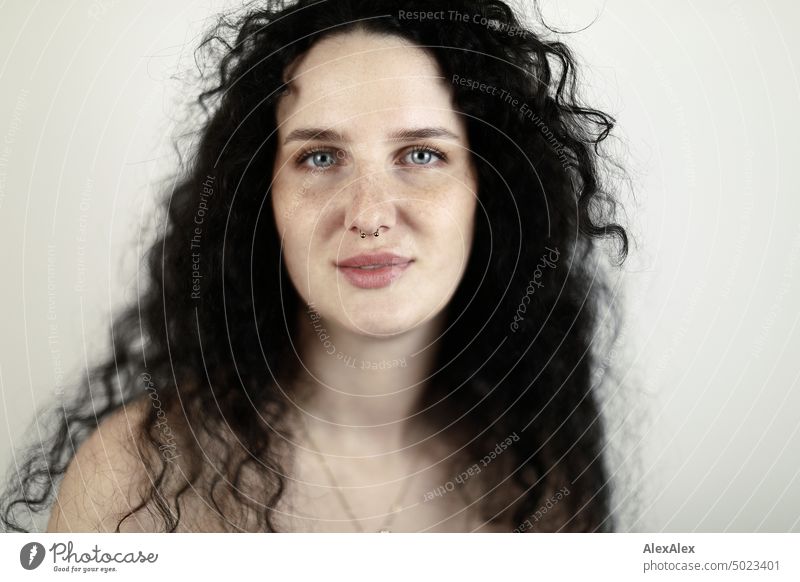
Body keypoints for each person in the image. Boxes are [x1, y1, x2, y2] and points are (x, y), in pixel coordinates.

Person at [1, 0, 629, 533]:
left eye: (420, 153)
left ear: (488, 192)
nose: (369, 214)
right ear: (262, 198)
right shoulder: (137, 476)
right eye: (321, 158)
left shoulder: (536, 471)